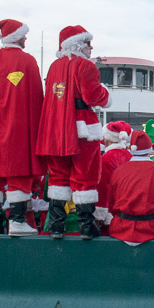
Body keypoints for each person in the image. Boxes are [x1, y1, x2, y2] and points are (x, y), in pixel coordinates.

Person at [36, 25, 111, 239]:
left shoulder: (53, 67)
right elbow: (94, 97)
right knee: (85, 175)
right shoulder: (85, 66)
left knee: (58, 176)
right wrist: (106, 93)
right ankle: (86, 226)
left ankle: (57, 225)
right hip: (82, 129)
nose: (91, 47)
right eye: (88, 43)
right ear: (78, 44)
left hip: (56, 128)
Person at [0, 19, 44, 237]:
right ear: (16, 36)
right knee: (19, 174)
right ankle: (16, 222)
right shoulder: (28, 61)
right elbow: (37, 98)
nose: (26, 38)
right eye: (23, 35)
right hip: (20, 127)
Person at [108, 131, 154, 245]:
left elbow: (111, 205)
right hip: (153, 230)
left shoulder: (117, 172)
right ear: (150, 148)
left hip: (121, 230)